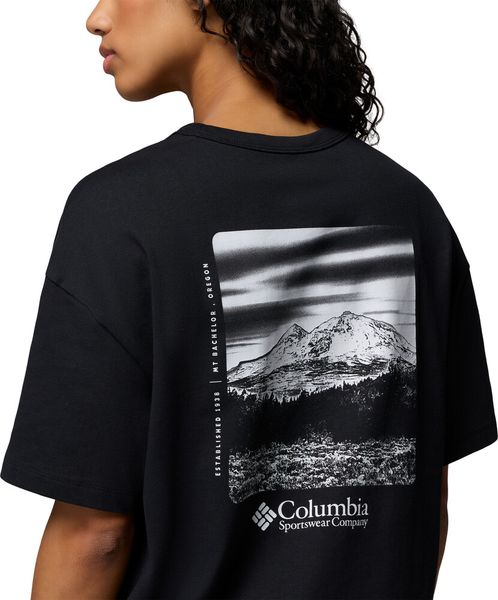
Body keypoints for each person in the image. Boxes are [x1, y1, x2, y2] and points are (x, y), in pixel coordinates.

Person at [1, 0, 496, 598]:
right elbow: (425, 507)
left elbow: (95, 535)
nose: (97, 17)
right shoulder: (412, 207)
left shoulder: (120, 213)